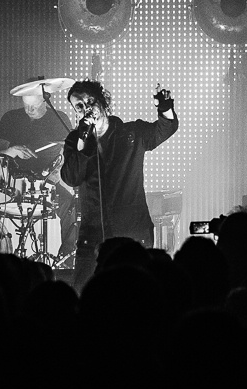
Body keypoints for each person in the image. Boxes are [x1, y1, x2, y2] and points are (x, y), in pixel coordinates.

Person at [60, 79, 178, 293]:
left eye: (90, 102)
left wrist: (165, 107)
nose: (86, 109)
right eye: (79, 106)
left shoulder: (130, 133)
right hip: (92, 235)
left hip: (132, 233)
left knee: (135, 293)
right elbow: (71, 177)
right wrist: (83, 143)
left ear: (103, 101)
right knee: (83, 293)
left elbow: (165, 128)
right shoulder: (75, 140)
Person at [0, 82, 76, 257]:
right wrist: (12, 151)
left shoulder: (59, 118)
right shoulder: (10, 118)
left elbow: (68, 152)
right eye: (26, 105)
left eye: (34, 106)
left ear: (45, 101)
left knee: (70, 206)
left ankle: (66, 259)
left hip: (46, 183)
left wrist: (55, 174)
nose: (29, 110)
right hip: (12, 184)